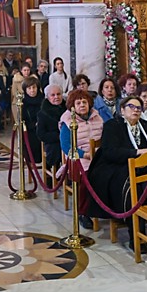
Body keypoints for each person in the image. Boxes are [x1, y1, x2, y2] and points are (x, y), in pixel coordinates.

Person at [85, 95, 147, 251]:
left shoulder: (145, 127)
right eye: (131, 107)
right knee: (130, 185)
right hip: (113, 166)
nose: (135, 110)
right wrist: (137, 152)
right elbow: (110, 152)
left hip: (140, 167)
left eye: (139, 108)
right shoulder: (112, 126)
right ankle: (136, 234)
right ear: (122, 110)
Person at [58, 89, 103, 230]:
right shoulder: (67, 122)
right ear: (72, 106)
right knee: (87, 177)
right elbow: (66, 146)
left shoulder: (97, 117)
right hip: (78, 157)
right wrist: (85, 154)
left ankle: (108, 207)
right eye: (78, 103)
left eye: (84, 102)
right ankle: (83, 211)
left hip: (98, 155)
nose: (82, 105)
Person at [37, 84, 66, 173]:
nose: (56, 97)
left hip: (68, 139)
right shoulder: (42, 113)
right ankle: (55, 174)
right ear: (48, 97)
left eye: (58, 94)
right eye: (53, 95)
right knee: (56, 150)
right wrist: (59, 136)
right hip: (53, 141)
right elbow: (41, 134)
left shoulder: (68, 109)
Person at [21, 77, 43, 164]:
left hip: (42, 127)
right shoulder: (23, 102)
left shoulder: (43, 100)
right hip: (30, 129)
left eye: (34, 87)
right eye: (29, 88)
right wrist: (33, 125)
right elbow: (23, 119)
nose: (32, 90)